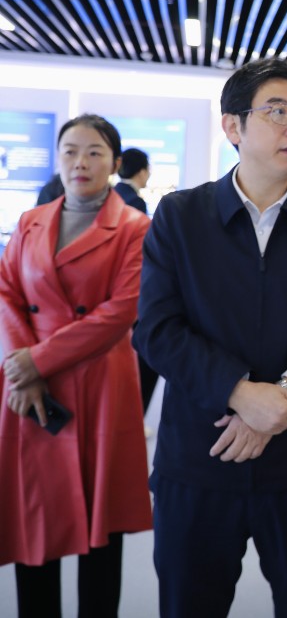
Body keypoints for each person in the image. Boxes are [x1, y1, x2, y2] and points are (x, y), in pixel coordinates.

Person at [132, 59, 287, 618]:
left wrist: (279, 398)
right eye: (278, 112)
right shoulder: (181, 216)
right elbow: (157, 329)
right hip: (201, 455)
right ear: (232, 126)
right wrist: (240, 394)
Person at [0, 113, 153, 617]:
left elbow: (122, 309)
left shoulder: (135, 227)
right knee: (36, 517)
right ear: (57, 158)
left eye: (93, 152)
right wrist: (21, 368)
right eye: (70, 151)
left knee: (101, 527)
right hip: (31, 385)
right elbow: (6, 292)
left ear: (114, 162)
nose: (80, 162)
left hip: (98, 383)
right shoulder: (32, 220)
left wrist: (35, 361)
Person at [114, 147, 150, 213]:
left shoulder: (110, 193)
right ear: (141, 172)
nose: (149, 174)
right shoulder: (136, 202)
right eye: (148, 170)